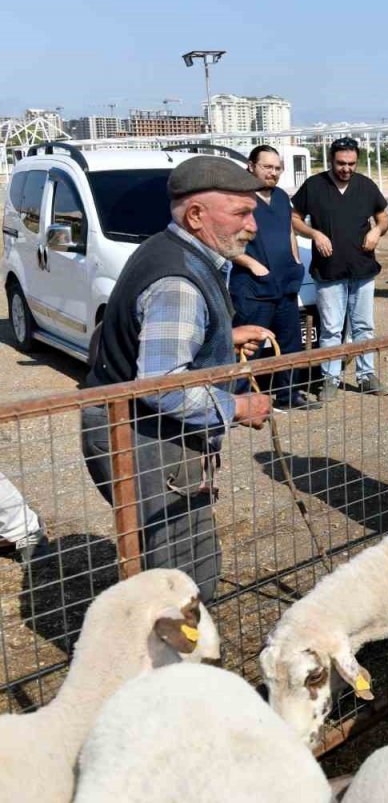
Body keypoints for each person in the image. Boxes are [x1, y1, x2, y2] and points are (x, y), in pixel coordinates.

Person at [81, 157, 275, 600]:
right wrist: (240, 407)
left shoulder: (171, 250)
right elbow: (164, 386)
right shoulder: (178, 279)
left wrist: (222, 338)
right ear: (196, 216)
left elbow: (135, 336)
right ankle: (176, 662)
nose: (253, 227)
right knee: (180, 572)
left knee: (176, 554)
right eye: (241, 213)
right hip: (145, 437)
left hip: (140, 429)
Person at [291, 137, 388, 400]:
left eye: (351, 163)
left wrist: (377, 232)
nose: (346, 168)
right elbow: (295, 219)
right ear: (331, 160)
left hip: (363, 268)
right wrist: (315, 234)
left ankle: (366, 375)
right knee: (332, 328)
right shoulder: (314, 185)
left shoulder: (366, 186)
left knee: (363, 326)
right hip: (329, 271)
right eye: (341, 163)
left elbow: (383, 217)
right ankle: (330, 379)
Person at [227, 145, 314, 411]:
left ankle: (288, 395)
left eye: (277, 168)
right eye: (267, 167)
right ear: (251, 166)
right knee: (248, 347)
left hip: (285, 284)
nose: (272, 173)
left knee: (290, 344)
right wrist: (252, 264)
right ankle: (238, 401)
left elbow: (289, 231)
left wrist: (296, 260)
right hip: (253, 288)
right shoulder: (238, 200)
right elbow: (226, 242)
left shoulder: (280, 198)